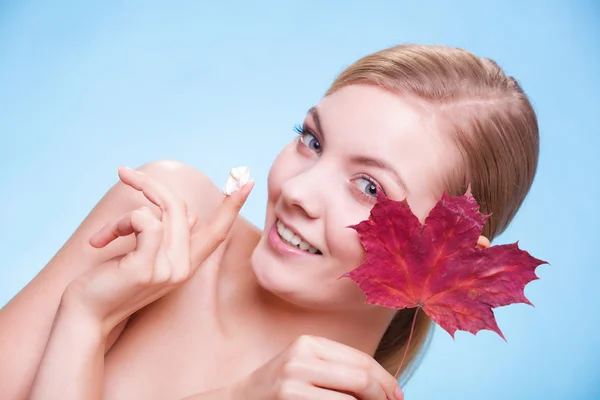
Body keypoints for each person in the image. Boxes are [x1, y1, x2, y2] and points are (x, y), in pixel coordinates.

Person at [0, 44, 539, 400]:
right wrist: (85, 312)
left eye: (370, 188)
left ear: (445, 263)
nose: (297, 191)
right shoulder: (166, 217)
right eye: (312, 141)